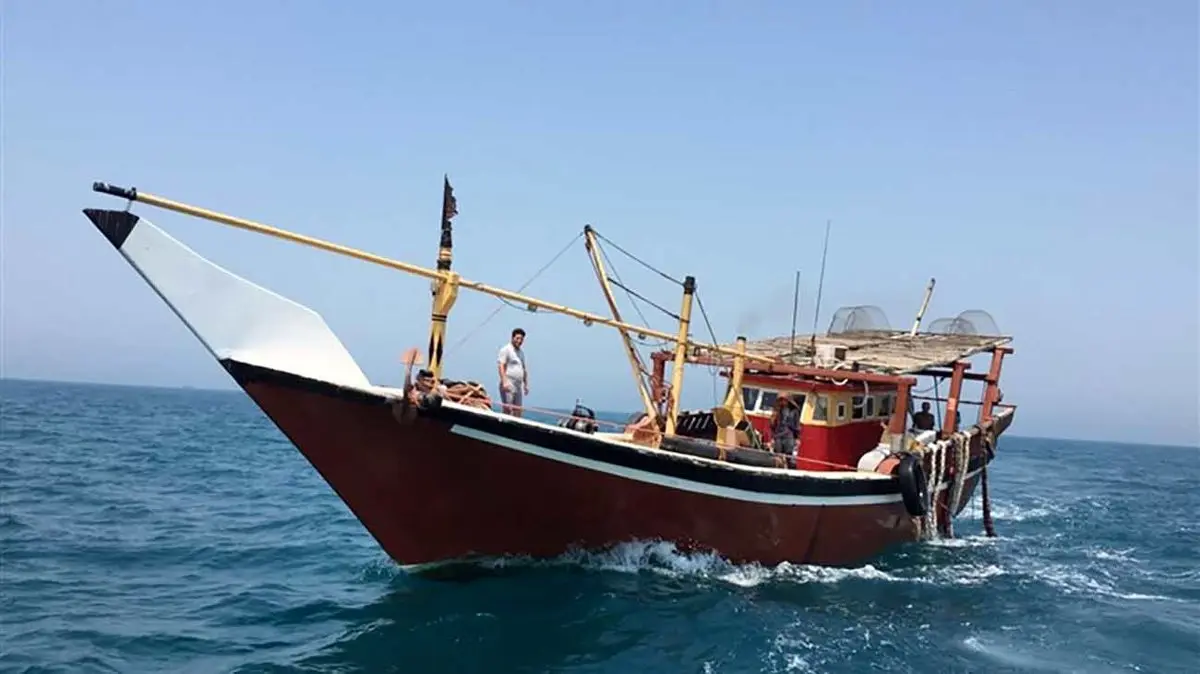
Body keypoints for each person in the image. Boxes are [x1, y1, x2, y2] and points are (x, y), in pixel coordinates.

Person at [497, 328, 529, 416]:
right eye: (517, 338)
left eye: (521, 339)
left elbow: (523, 368)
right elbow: (501, 365)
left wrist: (526, 384)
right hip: (509, 382)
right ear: (512, 338)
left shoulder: (521, 352)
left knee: (518, 410)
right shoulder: (506, 349)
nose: (519, 341)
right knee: (508, 409)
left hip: (518, 385)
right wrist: (504, 381)